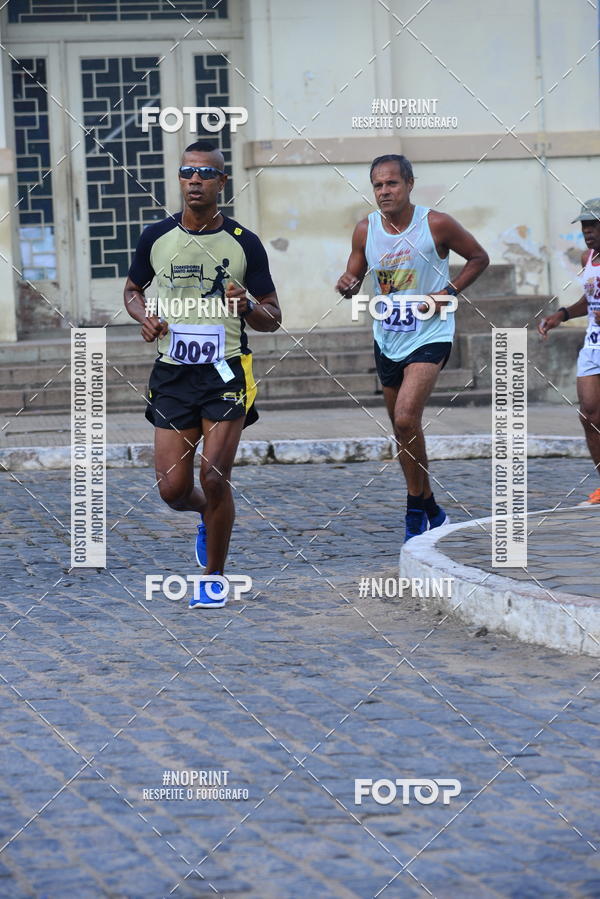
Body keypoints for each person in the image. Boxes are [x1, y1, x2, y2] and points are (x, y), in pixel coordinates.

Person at [124, 140, 281, 608]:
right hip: (173, 375)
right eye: (187, 173)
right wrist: (144, 317)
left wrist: (248, 305)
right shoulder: (155, 236)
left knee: (214, 476)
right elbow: (133, 290)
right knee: (173, 490)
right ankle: (206, 517)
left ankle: (214, 577)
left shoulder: (243, 242)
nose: (195, 180)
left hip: (226, 371)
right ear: (179, 181)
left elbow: (273, 316)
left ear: (221, 182)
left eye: (205, 174)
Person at [335, 154, 489, 541]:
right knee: (402, 430)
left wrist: (447, 292)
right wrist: (348, 283)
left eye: (392, 184)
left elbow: (478, 257)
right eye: (378, 185)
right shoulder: (365, 230)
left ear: (409, 184)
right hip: (388, 337)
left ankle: (412, 511)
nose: (384, 192)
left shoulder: (435, 224)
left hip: (430, 334)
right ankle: (430, 506)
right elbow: (355, 272)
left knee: (406, 417)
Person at [538, 197, 600, 503]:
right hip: (594, 343)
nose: (588, 231)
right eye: (585, 225)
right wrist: (560, 314)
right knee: (589, 415)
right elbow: (590, 300)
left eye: (594, 224)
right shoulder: (587, 258)